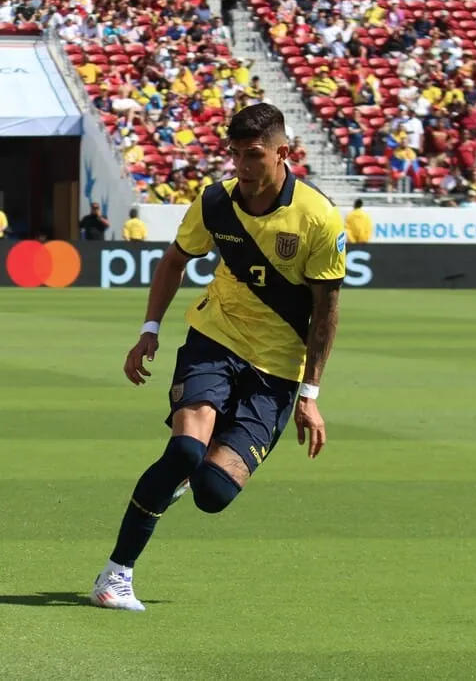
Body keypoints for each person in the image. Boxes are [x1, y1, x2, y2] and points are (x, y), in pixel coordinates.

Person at [89, 103, 345, 611]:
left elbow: (326, 312)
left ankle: (192, 477)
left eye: (253, 155)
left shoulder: (318, 219)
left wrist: (311, 394)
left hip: (276, 370)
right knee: (184, 450)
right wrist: (149, 330)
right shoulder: (214, 202)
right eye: (234, 155)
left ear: (282, 154)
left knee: (212, 493)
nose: (242, 167)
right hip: (214, 339)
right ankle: (115, 575)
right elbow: (175, 261)